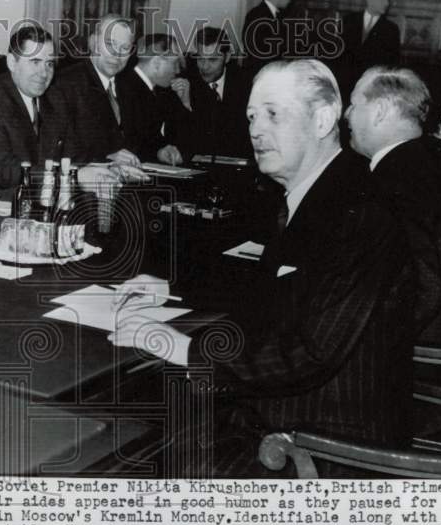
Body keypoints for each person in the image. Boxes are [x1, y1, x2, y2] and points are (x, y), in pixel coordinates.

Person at [112, 59, 415, 457]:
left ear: (323, 120)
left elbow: (311, 353)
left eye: (273, 114)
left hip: (322, 442)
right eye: (252, 116)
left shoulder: (361, 211)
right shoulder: (322, 190)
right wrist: (171, 286)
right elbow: (270, 282)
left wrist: (185, 350)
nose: (256, 129)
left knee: (134, 450)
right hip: (286, 414)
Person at [346, 66, 441, 340]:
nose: (346, 115)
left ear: (379, 111)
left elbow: (428, 288)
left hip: (426, 348)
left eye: (354, 105)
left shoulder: (395, 181)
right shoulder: (433, 164)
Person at [0, 24, 70, 189]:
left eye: (49, 64)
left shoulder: (56, 98)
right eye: (35, 62)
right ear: (12, 62)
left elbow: (74, 151)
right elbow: (7, 172)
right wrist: (70, 176)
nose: (44, 73)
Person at [45, 14, 149, 177]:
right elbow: (55, 150)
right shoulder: (65, 85)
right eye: (110, 44)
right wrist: (107, 158)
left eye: (125, 48)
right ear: (93, 43)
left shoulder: (129, 88)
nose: (117, 54)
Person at [176, 26, 253, 162]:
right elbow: (178, 139)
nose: (205, 67)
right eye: (200, 59)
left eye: (212, 60)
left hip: (237, 165)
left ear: (227, 57)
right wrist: (186, 105)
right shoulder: (185, 82)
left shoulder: (245, 84)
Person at [115, 33, 191, 164]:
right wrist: (159, 152)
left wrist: (185, 102)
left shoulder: (161, 90)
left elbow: (188, 134)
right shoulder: (124, 89)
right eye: (175, 64)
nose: (177, 70)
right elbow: (130, 143)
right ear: (156, 63)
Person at [336, 0, 401, 94]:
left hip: (372, 86)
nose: (386, 3)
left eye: (387, 0)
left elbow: (392, 63)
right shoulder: (348, 20)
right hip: (344, 83)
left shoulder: (391, 29)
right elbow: (337, 52)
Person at [241, 0, 295, 76]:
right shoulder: (257, 14)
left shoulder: (274, 15)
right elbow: (256, 51)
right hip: (259, 74)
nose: (290, 0)